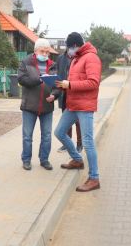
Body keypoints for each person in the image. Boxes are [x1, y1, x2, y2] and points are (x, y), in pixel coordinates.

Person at [54, 32, 102, 192]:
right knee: (60, 132)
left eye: (69, 47)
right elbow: (74, 81)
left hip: (85, 107)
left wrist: (71, 85)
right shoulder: (77, 58)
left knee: (88, 142)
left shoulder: (91, 58)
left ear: (75, 46)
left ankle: (94, 178)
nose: (68, 51)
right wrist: (63, 85)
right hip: (73, 105)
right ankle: (77, 159)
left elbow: (93, 83)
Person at [17, 38, 59, 171]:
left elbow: (58, 84)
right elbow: (22, 79)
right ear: (36, 51)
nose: (45, 54)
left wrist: (55, 95)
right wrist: (40, 79)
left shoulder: (53, 64)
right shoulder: (26, 62)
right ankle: (26, 160)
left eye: (47, 52)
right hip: (30, 105)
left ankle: (44, 159)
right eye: (43, 51)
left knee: (46, 135)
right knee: (27, 135)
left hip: (47, 106)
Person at [56, 48, 83, 153]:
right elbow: (56, 70)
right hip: (64, 94)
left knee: (78, 121)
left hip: (76, 93)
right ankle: (67, 144)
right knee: (66, 121)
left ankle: (79, 144)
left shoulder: (79, 58)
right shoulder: (60, 58)